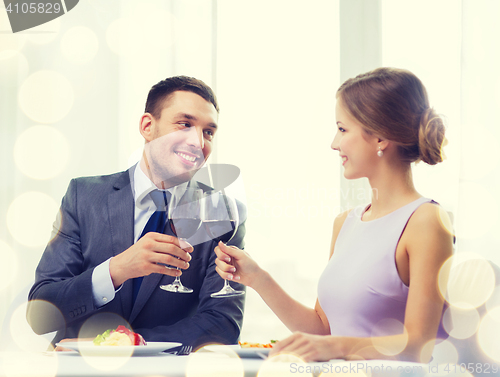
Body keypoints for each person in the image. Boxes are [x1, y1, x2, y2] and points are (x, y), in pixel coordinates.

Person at [214, 67, 454, 362]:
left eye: (342, 129)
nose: (334, 143)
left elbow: (419, 344)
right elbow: (323, 329)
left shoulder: (426, 222)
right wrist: (258, 278)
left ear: (380, 137)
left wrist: (337, 348)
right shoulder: (345, 223)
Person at [26, 76, 246, 349]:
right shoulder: (83, 196)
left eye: (208, 132)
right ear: (147, 126)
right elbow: (39, 315)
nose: (198, 141)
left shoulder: (220, 211)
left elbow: (224, 324)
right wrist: (116, 270)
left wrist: (126, 344)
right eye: (184, 124)